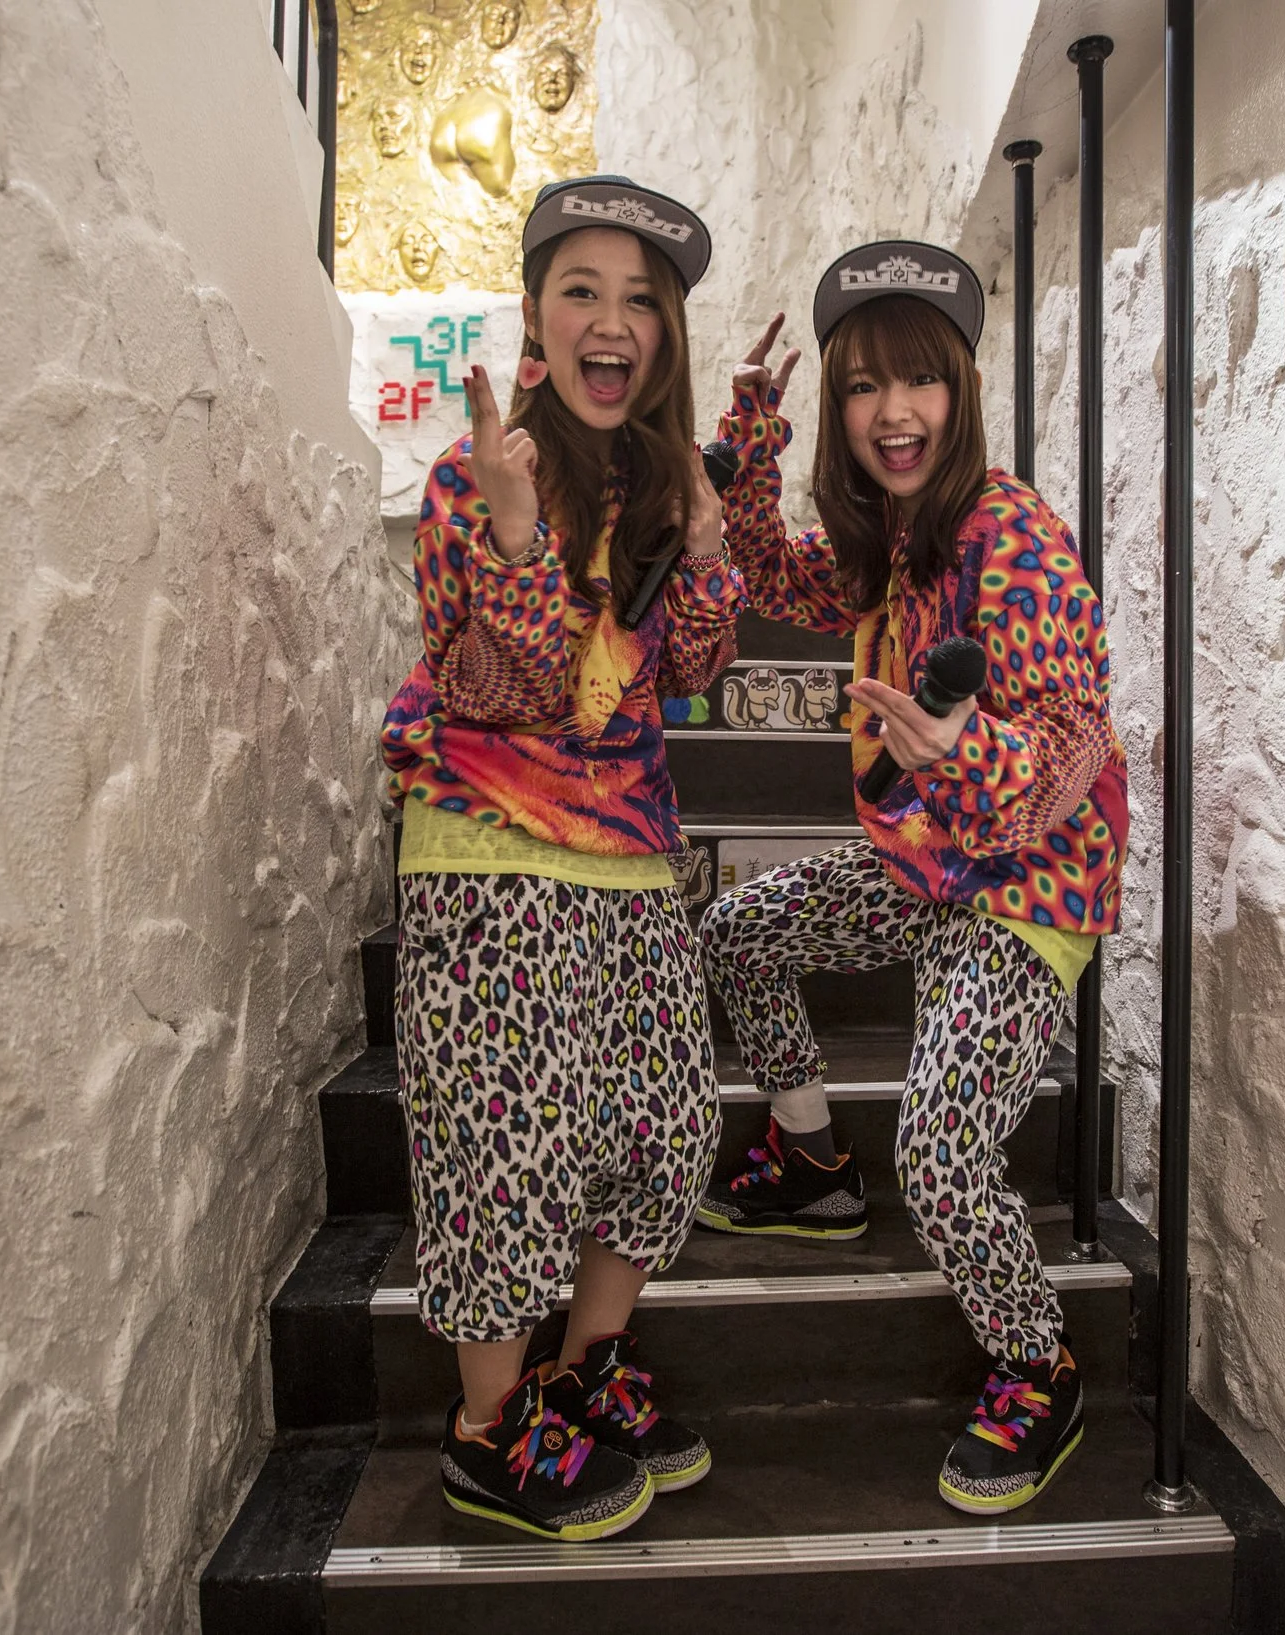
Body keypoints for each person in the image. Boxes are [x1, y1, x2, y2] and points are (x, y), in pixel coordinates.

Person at [697, 240, 1128, 1516]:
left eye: (920, 384)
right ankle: (814, 1166)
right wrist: (752, 437)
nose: (894, 414)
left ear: (962, 392)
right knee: (736, 933)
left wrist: (963, 748)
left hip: (1025, 886)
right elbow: (776, 579)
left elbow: (1066, 756)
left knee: (941, 1156)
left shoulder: (1014, 535)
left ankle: (1037, 1368)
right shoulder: (891, 539)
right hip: (927, 860)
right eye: (863, 387)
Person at [379, 176, 739, 1541]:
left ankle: (584, 1371)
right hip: (491, 848)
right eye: (582, 287)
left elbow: (694, 671)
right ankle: (487, 1419)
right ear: (536, 311)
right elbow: (500, 682)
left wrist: (705, 553)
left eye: (641, 298)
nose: (613, 319)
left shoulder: (660, 479)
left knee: (667, 1132)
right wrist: (520, 532)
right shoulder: (473, 474)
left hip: (635, 851)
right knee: (507, 1144)